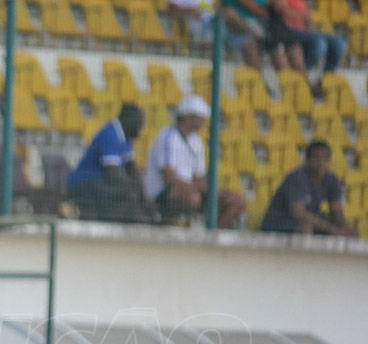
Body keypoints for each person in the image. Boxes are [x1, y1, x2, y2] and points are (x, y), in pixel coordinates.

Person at [143, 94, 247, 229]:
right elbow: (169, 177)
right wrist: (198, 187)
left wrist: (212, 189)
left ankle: (214, 235)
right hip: (163, 191)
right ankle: (166, 224)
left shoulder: (196, 141)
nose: (203, 121)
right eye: (199, 117)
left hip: (191, 188)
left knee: (236, 201)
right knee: (193, 198)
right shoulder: (168, 136)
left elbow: (199, 176)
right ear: (187, 117)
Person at [66, 104, 152, 223]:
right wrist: (134, 188)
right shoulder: (111, 133)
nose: (142, 127)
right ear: (129, 121)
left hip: (102, 184)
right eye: (140, 123)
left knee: (134, 195)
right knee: (128, 193)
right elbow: (112, 173)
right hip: (84, 183)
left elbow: (131, 168)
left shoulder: (127, 136)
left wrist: (142, 190)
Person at [259, 139, 358, 237]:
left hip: (307, 221)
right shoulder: (297, 177)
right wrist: (332, 229)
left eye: (325, 158)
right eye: (317, 158)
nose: (321, 163)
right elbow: (298, 213)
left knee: (350, 232)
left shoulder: (332, 179)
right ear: (307, 160)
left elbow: (337, 211)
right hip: (280, 224)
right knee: (305, 226)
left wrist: (345, 229)